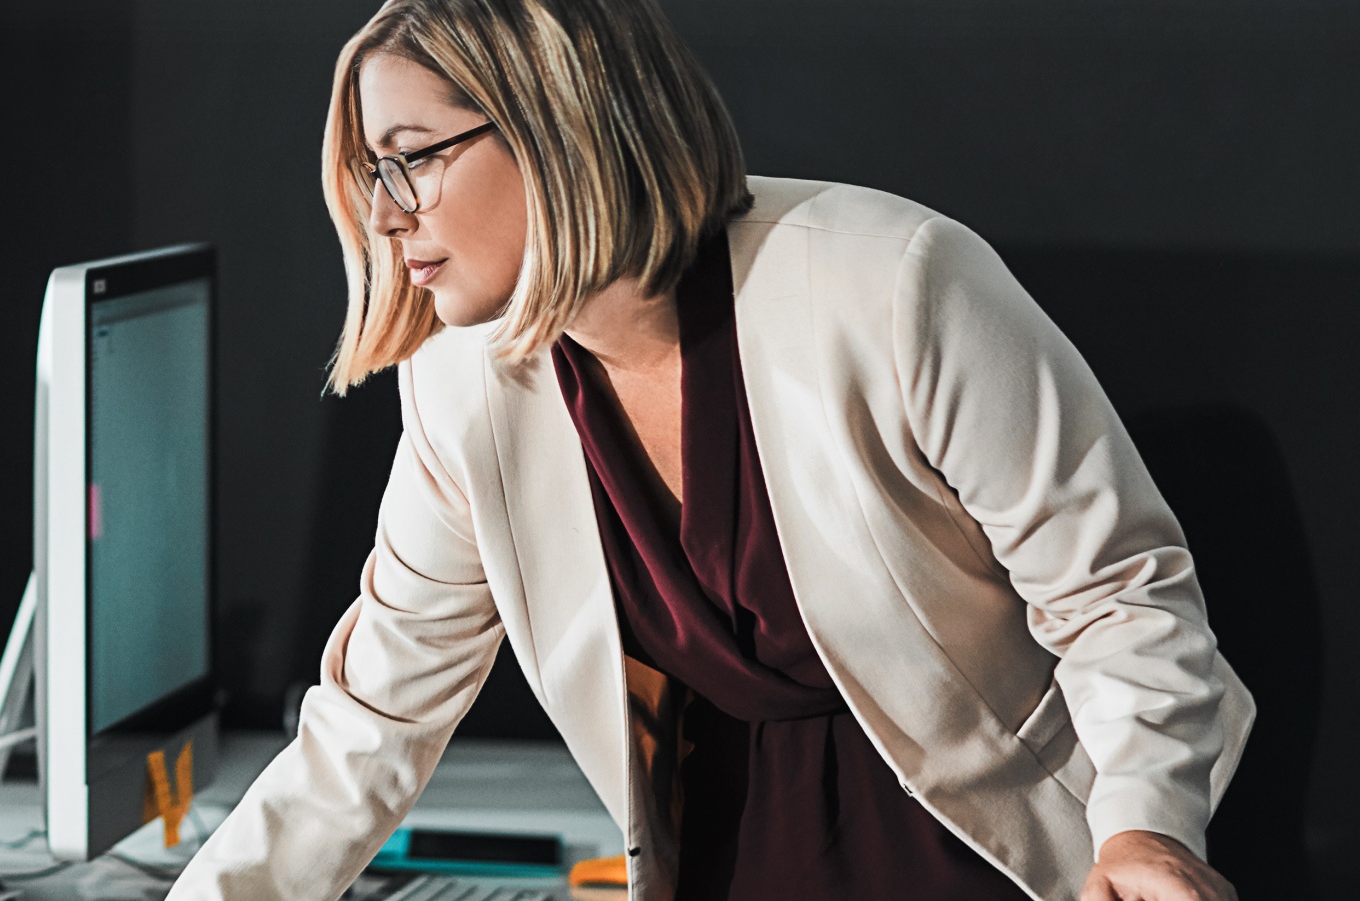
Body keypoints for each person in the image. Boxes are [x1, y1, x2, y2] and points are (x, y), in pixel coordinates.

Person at [166, 2, 1252, 900]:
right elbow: (373, 720)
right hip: (739, 850)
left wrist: (1145, 829)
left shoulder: (892, 282)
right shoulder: (462, 384)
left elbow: (1120, 595)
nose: (383, 215)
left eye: (410, 160)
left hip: (1024, 849)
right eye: (369, 173)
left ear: (557, 125)